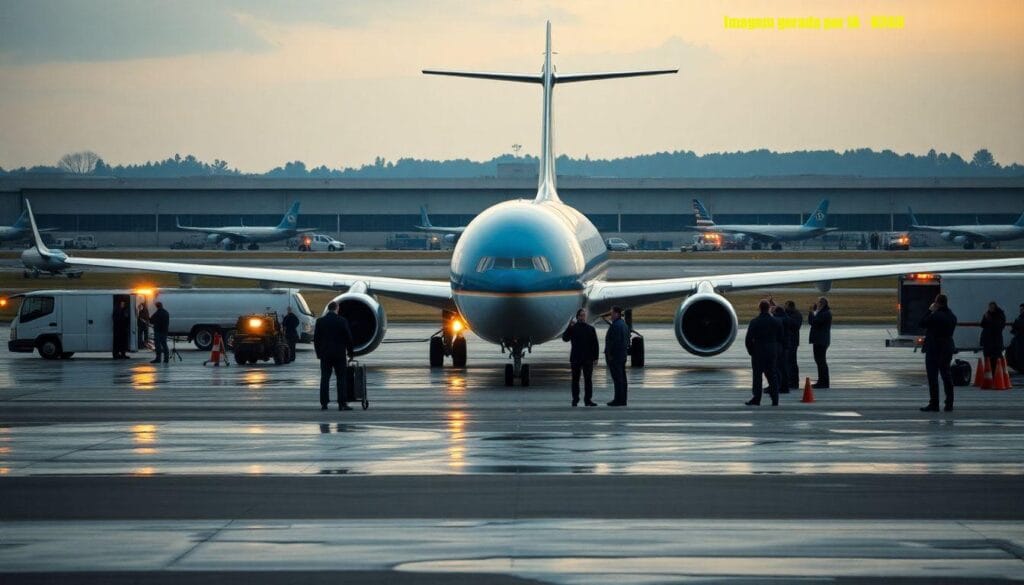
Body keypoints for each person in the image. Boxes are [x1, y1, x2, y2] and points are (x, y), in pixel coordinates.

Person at [313, 301, 354, 411]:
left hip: (325, 354)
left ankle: (324, 403)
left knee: (325, 379)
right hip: (339, 354)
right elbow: (348, 338)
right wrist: (350, 353)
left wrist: (318, 354)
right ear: (337, 309)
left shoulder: (320, 321)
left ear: (328, 309)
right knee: (341, 379)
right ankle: (342, 403)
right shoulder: (342, 321)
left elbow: (316, 339)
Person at [920, 294, 957, 412]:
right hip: (947, 347)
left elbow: (921, 323)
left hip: (934, 348)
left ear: (937, 303)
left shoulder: (936, 315)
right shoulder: (952, 316)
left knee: (933, 377)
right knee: (946, 376)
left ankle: (934, 403)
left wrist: (929, 310)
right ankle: (949, 403)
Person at [745, 299, 783, 406]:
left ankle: (757, 398)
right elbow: (781, 338)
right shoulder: (777, 322)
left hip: (758, 351)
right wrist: (776, 350)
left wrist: (751, 351)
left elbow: (748, 340)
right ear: (769, 308)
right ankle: (775, 399)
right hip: (771, 351)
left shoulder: (755, 322)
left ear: (760, 308)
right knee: (772, 375)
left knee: (757, 376)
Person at [562, 308, 600, 407]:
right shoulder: (573, 328)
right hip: (576, 358)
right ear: (578, 317)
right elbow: (565, 338)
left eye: (584, 315)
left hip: (588, 358)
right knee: (575, 380)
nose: (583, 317)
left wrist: (596, 358)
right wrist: (569, 327)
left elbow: (595, 344)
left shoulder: (590, 329)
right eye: (581, 315)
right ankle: (575, 399)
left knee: (588, 380)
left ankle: (588, 400)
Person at [604, 306, 630, 407]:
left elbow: (614, 342)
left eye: (612, 313)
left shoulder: (615, 326)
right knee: (622, 379)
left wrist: (610, 354)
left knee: (618, 379)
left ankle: (618, 400)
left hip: (615, 357)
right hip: (622, 355)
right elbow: (627, 340)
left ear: (617, 314)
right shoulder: (624, 325)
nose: (610, 315)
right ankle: (623, 399)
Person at [807, 296, 832, 389]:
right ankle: (822, 380)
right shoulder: (823, 312)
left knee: (821, 361)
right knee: (820, 361)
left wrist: (811, 312)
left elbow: (813, 322)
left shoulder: (824, 313)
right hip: (820, 340)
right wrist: (814, 312)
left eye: (819, 303)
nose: (817, 304)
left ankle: (824, 382)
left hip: (821, 341)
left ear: (823, 304)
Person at [979, 301, 1006, 376]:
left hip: (995, 341)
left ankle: (997, 374)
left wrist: (989, 319)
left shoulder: (999, 315)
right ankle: (990, 375)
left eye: (992, 307)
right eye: (989, 307)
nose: (990, 309)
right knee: (988, 358)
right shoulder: (987, 314)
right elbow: (982, 324)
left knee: (996, 358)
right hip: (988, 340)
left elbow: (998, 326)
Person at [784, 300, 802, 389]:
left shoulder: (796, 315)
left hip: (793, 342)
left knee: (792, 362)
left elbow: (796, 326)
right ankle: (789, 381)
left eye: (786, 306)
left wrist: (786, 317)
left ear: (790, 306)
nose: (784, 308)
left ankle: (794, 382)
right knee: (788, 362)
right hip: (788, 341)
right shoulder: (789, 314)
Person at [771, 303, 789, 393]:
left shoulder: (777, 320)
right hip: (784, 346)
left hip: (778, 347)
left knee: (777, 368)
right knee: (783, 368)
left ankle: (779, 386)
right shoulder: (786, 319)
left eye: (773, 310)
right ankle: (783, 386)